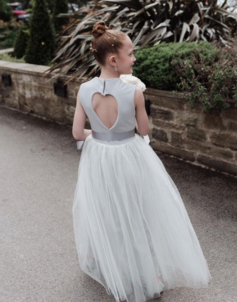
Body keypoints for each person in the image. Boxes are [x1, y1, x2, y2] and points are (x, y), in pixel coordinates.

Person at [72, 21, 211, 302]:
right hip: (129, 156)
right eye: (131, 53)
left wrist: (96, 135)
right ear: (114, 61)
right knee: (138, 211)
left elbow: (77, 133)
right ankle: (150, 274)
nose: (134, 58)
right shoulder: (134, 92)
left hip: (98, 157)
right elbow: (144, 131)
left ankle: (108, 261)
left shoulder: (84, 90)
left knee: (107, 209)